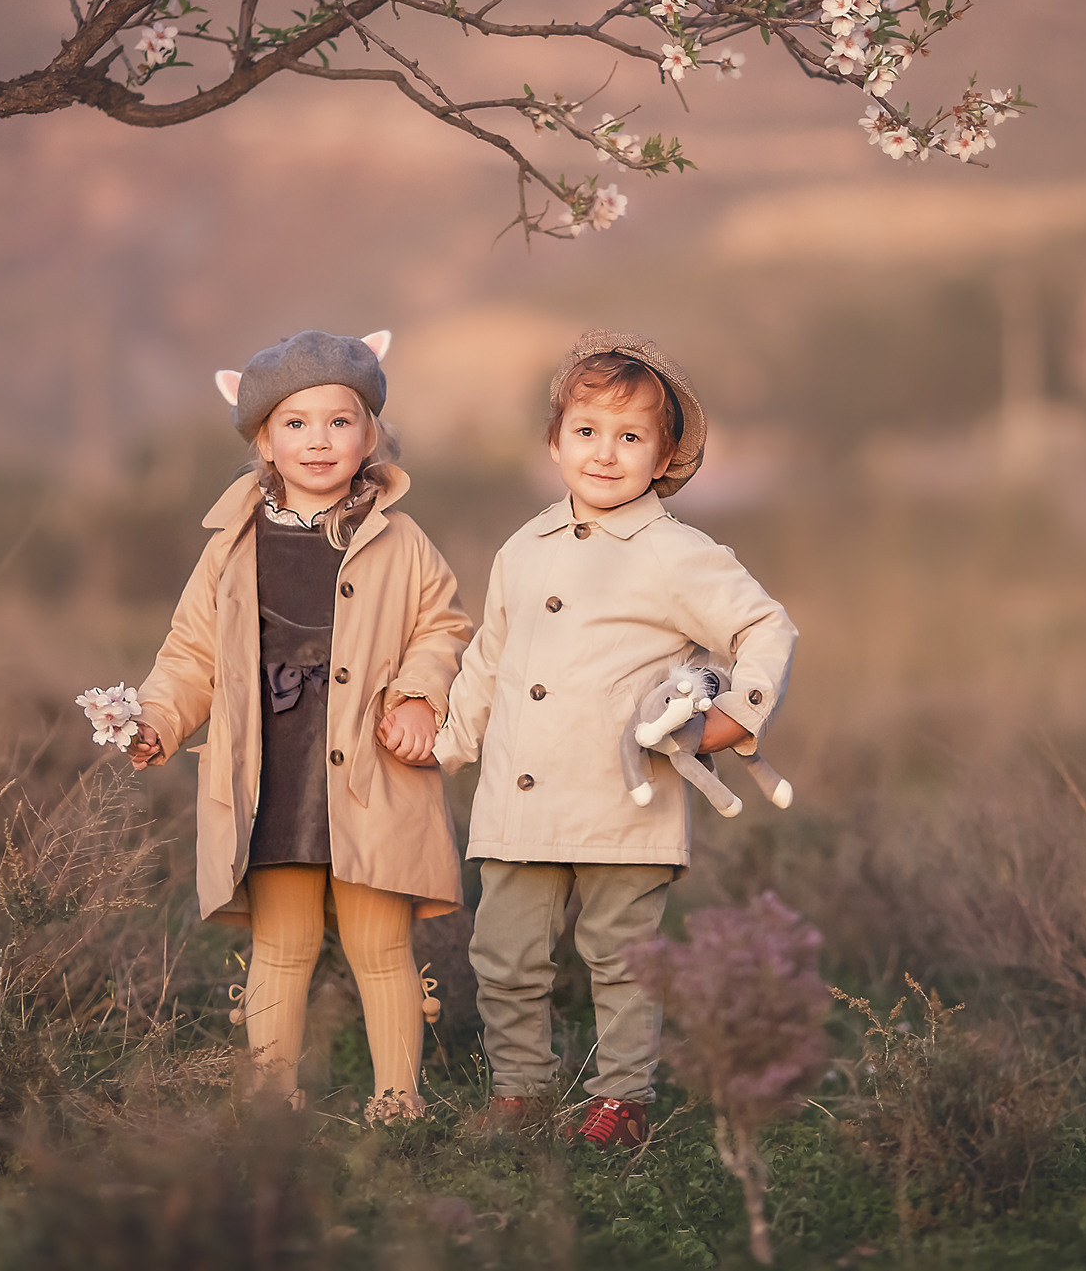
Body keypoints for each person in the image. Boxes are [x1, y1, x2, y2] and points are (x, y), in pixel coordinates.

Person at [436, 329, 798, 1149]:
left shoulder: (677, 553)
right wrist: (448, 744)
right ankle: (521, 1092)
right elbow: (488, 658)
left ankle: (621, 1098)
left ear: (664, 454)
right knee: (505, 956)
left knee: (621, 956)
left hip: (624, 800)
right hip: (519, 800)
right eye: (587, 432)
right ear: (554, 442)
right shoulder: (520, 548)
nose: (605, 453)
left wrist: (736, 713)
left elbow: (763, 624)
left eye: (630, 436)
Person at [122, 329, 468, 1120]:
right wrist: (156, 720)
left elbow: (441, 627)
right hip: (270, 773)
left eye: (339, 421)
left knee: (381, 948)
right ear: (263, 440)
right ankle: (272, 1104)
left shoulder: (400, 538)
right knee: (281, 945)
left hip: (371, 770)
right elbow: (190, 653)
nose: (319, 439)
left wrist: (418, 696)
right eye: (295, 423)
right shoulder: (230, 545)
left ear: (369, 432)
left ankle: (398, 1101)